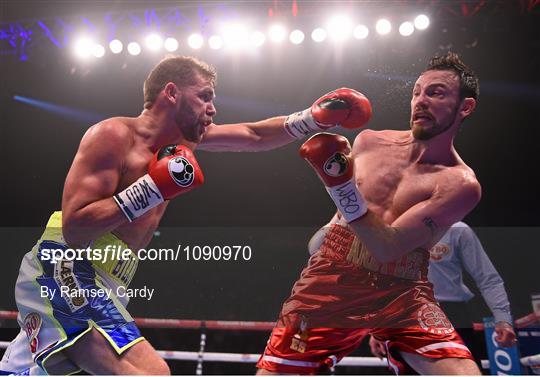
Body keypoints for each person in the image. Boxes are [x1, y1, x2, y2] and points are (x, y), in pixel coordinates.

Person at [0, 55, 372, 375]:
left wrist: (312, 118)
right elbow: (76, 227)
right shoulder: (113, 134)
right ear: (171, 92)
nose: (213, 108)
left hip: (108, 283)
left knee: (153, 371)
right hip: (64, 265)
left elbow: (255, 135)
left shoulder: (181, 146)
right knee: (111, 365)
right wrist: (152, 188)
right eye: (205, 96)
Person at [257, 52, 485, 375]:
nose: (420, 101)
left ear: (465, 107)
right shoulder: (369, 142)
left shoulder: (460, 184)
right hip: (331, 281)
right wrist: (325, 239)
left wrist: (338, 185)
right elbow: (339, 223)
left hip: (403, 292)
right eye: (417, 92)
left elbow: (387, 246)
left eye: (436, 93)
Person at [369, 221, 516, 363]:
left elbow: (487, 278)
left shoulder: (456, 229)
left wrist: (503, 319)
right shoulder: (394, 226)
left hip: (451, 315)